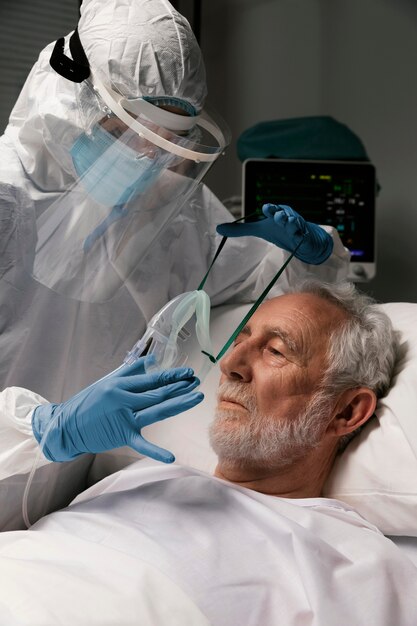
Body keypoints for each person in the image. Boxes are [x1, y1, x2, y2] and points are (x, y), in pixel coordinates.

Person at [0, 279, 416, 625]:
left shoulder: (353, 561)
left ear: (345, 411)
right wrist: (43, 433)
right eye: (239, 340)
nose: (230, 362)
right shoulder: (139, 478)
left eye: (275, 351)